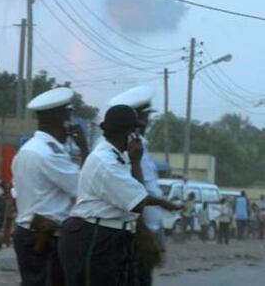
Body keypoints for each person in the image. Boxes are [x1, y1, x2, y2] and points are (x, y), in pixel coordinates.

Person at [59, 105, 181, 286]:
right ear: (129, 133)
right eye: (135, 131)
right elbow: (138, 202)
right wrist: (136, 161)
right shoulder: (107, 162)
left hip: (109, 234)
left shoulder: (114, 156)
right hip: (98, 236)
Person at [12, 87, 88, 286]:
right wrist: (85, 149)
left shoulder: (26, 150)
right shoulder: (50, 153)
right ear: (61, 119)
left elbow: (15, 193)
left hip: (28, 232)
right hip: (47, 236)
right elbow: (85, 189)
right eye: (68, 117)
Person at [107, 86, 165, 285]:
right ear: (135, 119)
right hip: (134, 232)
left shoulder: (139, 145)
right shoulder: (121, 150)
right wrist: (145, 234)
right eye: (145, 117)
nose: (147, 122)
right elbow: (132, 196)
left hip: (145, 228)